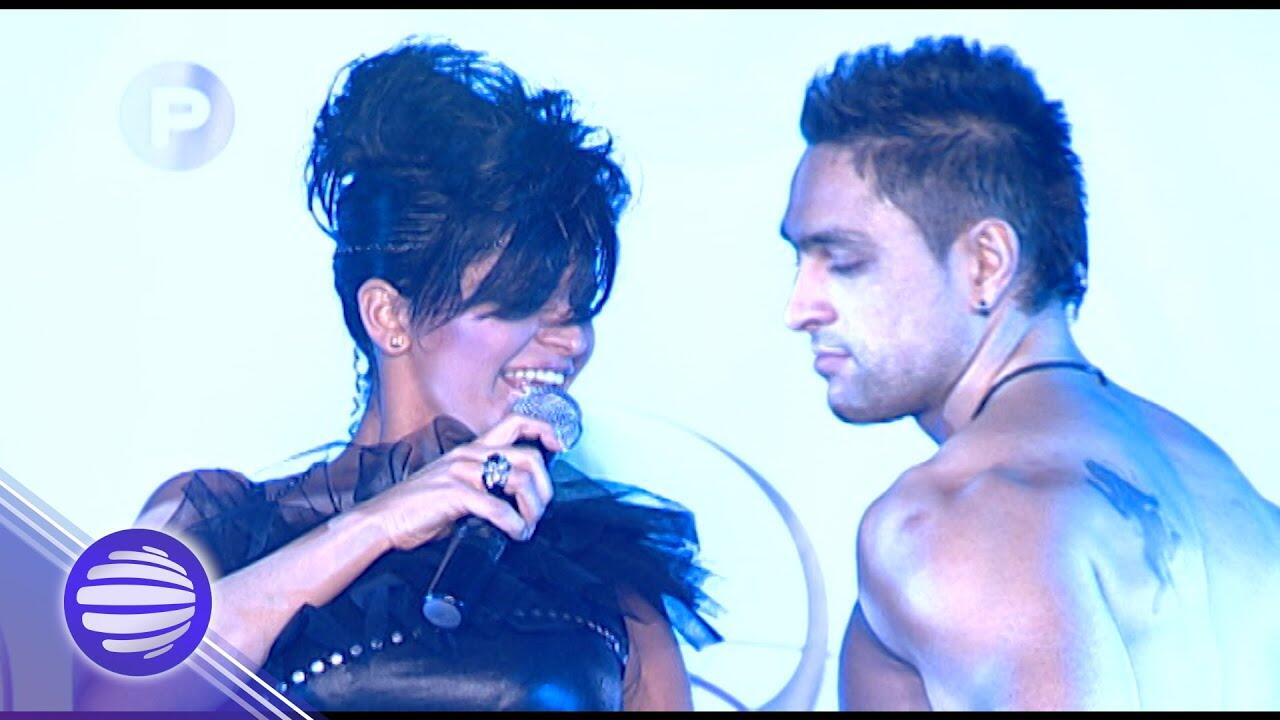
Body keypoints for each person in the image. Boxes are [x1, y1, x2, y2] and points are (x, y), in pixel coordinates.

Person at [75, 37, 718, 712]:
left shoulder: (603, 574)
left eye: (577, 309)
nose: (571, 341)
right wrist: (377, 524)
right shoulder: (219, 523)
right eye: (523, 303)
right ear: (388, 315)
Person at [779, 36, 1280, 711]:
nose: (800, 307)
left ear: (986, 262)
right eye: (799, 260)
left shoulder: (961, 516)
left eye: (842, 260)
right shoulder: (1226, 494)